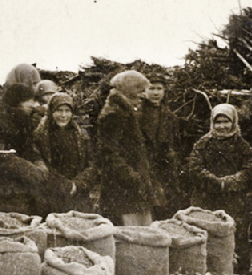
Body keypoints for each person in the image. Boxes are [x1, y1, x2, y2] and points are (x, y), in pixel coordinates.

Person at [187, 103, 252, 274]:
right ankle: (206, 273)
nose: (221, 126)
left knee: (235, 234)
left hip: (233, 198)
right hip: (207, 197)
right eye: (217, 122)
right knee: (206, 233)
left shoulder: (241, 145)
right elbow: (195, 167)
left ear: (233, 122)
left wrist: (230, 181)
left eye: (226, 122)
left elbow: (251, 168)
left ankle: (239, 274)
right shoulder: (202, 144)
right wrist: (215, 181)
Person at [0, 82, 48, 216]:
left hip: (23, 192)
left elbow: (30, 148)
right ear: (17, 101)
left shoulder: (23, 121)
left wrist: (39, 163)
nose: (33, 105)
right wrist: (30, 171)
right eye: (29, 100)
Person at [97, 70, 155, 226]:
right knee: (128, 228)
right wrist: (131, 175)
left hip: (130, 180)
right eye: (140, 91)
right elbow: (109, 153)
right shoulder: (114, 114)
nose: (143, 95)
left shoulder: (125, 111)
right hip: (123, 184)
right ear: (129, 90)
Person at [33, 92, 97, 213]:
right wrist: (64, 186)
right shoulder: (40, 135)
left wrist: (78, 184)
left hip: (79, 194)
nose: (63, 115)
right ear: (51, 112)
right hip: (52, 194)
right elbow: (41, 164)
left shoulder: (81, 134)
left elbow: (92, 163)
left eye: (67, 111)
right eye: (59, 110)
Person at [138, 71, 181, 220]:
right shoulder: (137, 114)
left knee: (165, 206)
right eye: (152, 88)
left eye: (159, 89)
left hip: (164, 168)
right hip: (143, 165)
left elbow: (174, 143)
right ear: (144, 90)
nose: (156, 93)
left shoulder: (169, 116)